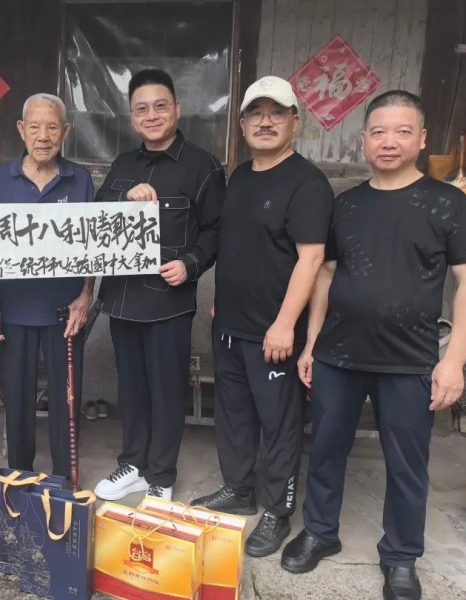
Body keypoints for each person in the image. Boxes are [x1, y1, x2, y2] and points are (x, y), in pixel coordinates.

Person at [281, 91, 466, 600]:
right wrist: (311, 344)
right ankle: (320, 532)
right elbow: (326, 274)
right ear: (364, 140)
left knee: (407, 464)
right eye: (378, 131)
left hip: (409, 361)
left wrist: (453, 362)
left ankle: (400, 556)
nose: (388, 141)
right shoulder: (346, 203)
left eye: (401, 131)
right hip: (338, 356)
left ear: (422, 139)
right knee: (325, 449)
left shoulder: (449, 203)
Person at [190, 76, 334, 558]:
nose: (265, 121)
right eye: (256, 113)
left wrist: (285, 324)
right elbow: (238, 246)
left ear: (295, 122)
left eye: (277, 113)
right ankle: (238, 489)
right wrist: (223, 301)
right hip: (230, 324)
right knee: (232, 415)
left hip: (274, 332)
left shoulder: (307, 183)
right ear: (242, 123)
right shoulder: (240, 177)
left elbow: (312, 259)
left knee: (278, 424)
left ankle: (277, 508)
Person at [93, 69, 225, 502]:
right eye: (141, 109)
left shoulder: (202, 166)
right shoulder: (123, 164)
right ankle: (133, 464)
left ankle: (162, 476)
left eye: (160, 106)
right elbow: (97, 214)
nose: (151, 115)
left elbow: (216, 230)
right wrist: (124, 197)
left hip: (169, 301)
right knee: (130, 387)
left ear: (177, 110)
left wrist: (190, 264)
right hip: (122, 298)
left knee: (167, 390)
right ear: (132, 117)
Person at [0, 93, 94, 478]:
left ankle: (64, 478)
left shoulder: (79, 178)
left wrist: (85, 295)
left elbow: (93, 245)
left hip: (66, 310)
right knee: (17, 398)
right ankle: (19, 476)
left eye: (51, 127)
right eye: (34, 127)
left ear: (65, 131)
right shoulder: (2, 177)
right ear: (21, 130)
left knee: (66, 399)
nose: (43, 136)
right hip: (16, 308)